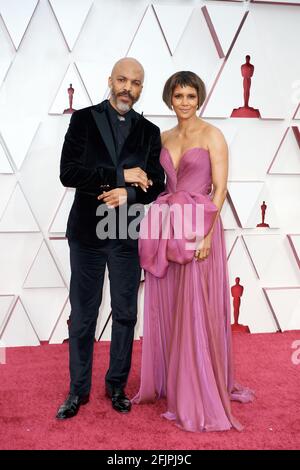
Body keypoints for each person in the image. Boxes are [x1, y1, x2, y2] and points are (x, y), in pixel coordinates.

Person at [132, 71, 254, 432]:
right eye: (178, 96)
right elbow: (157, 182)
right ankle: (173, 380)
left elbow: (219, 189)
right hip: (168, 228)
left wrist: (204, 235)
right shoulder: (163, 137)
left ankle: (199, 384)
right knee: (170, 306)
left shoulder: (213, 135)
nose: (184, 102)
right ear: (169, 98)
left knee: (195, 308)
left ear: (199, 98)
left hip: (200, 229)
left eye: (190, 96)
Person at [56, 57, 165, 419]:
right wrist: (120, 176)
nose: (127, 88)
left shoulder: (149, 131)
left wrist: (129, 193)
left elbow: (156, 184)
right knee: (84, 315)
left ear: (141, 88)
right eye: (122, 80)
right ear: (110, 80)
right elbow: (68, 173)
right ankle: (78, 389)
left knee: (125, 313)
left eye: (135, 83)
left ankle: (116, 384)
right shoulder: (83, 119)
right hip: (87, 231)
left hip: (125, 230)